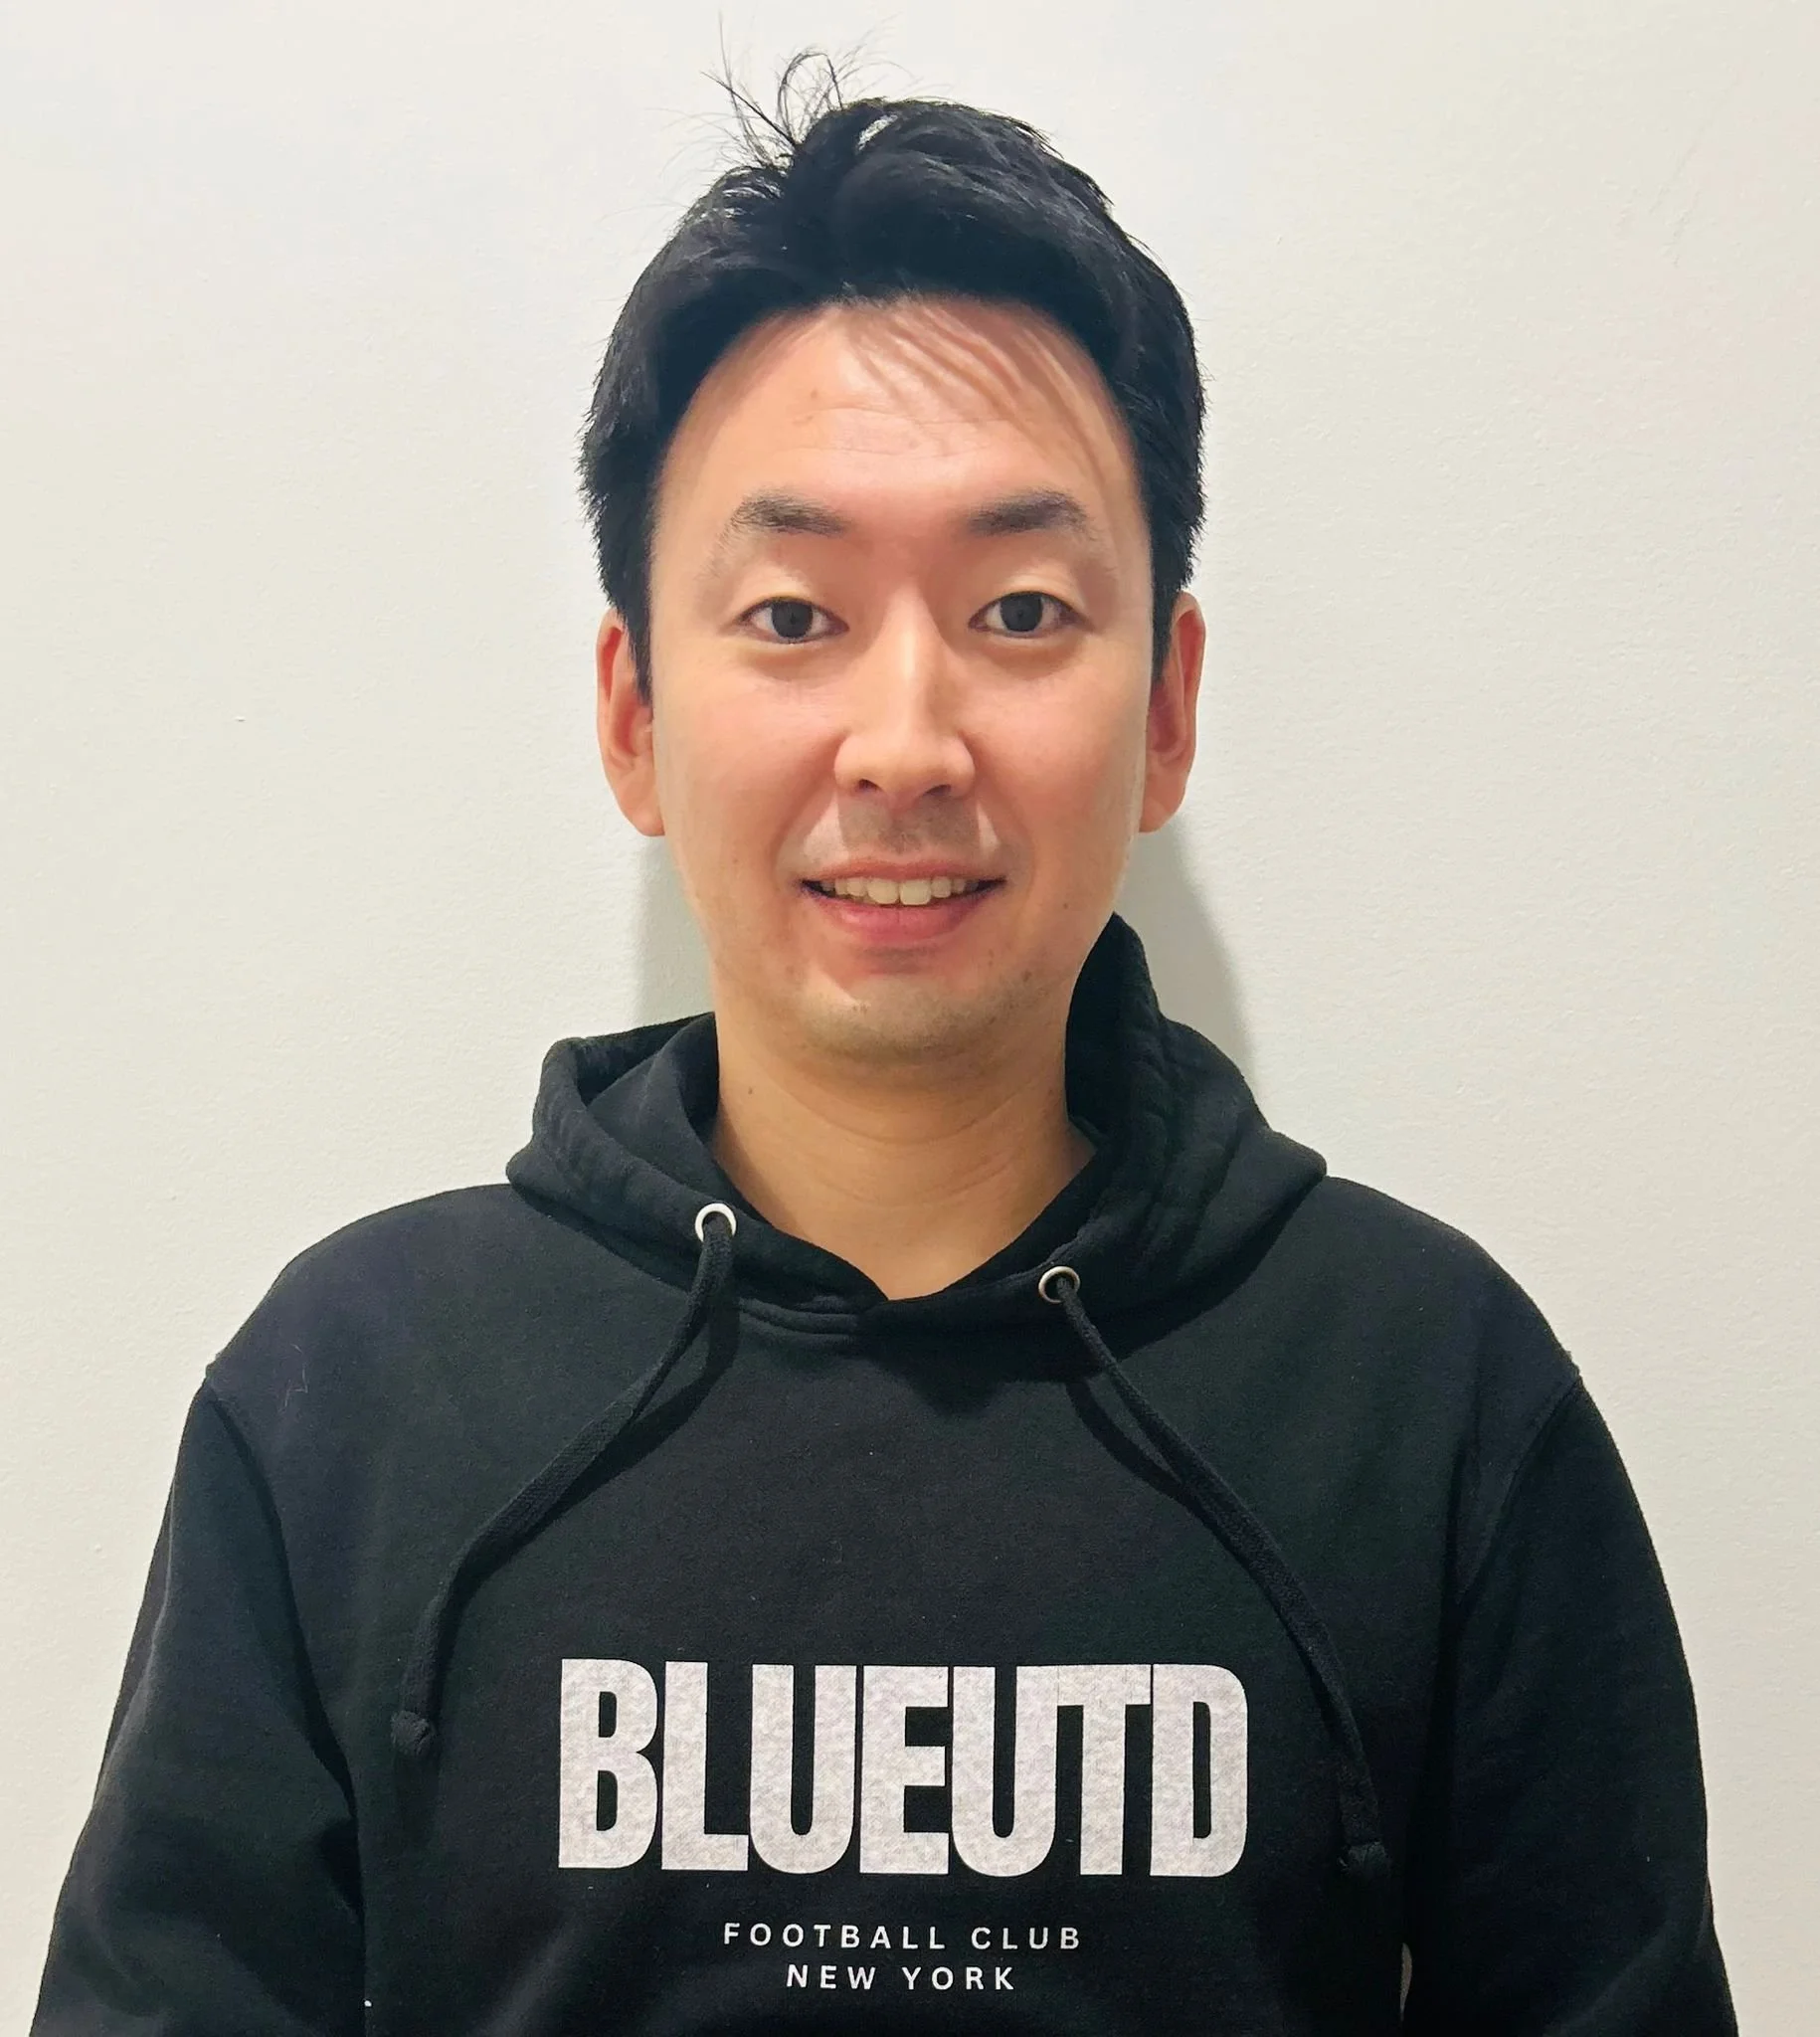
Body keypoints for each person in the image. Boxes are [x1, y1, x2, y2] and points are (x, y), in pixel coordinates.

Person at [32, 63, 1734, 2036]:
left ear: (1168, 705)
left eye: (1022, 607)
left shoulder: (1431, 1399)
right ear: (634, 715)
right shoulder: (350, 1401)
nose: (908, 738)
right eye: (791, 612)